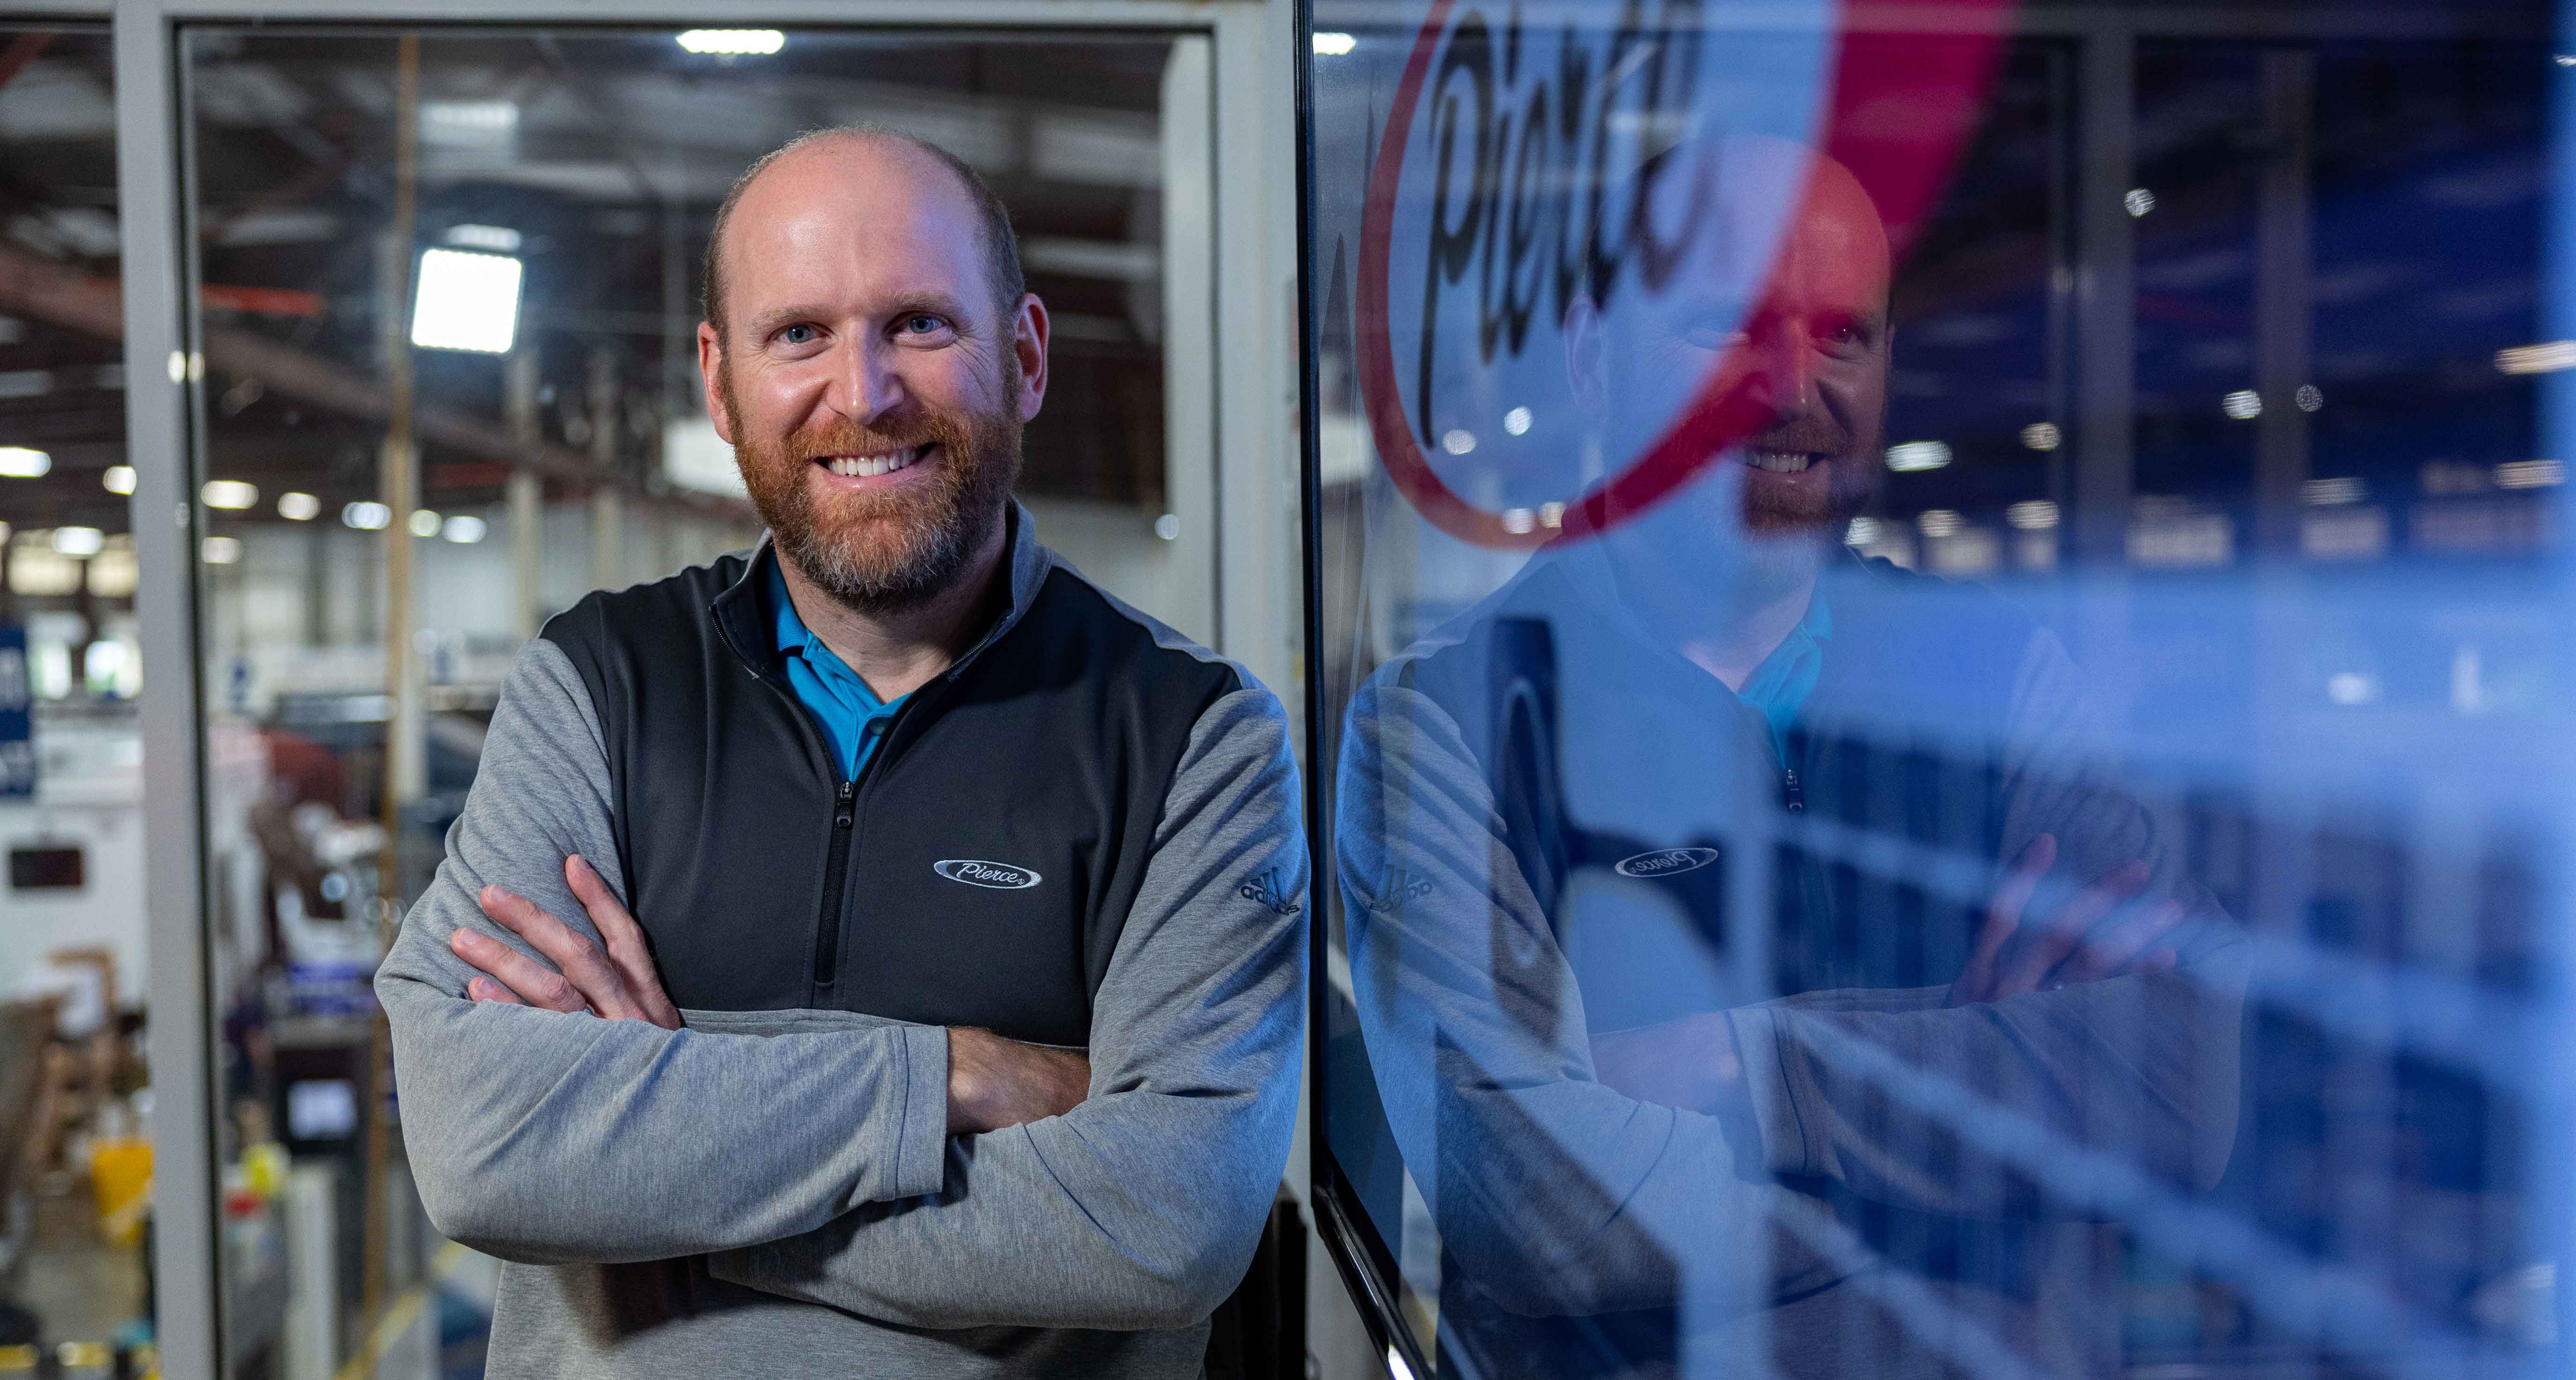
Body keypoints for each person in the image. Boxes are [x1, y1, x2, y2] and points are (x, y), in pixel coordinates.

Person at [375, 127, 1306, 1379]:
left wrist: (651, 1169)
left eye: (919, 323)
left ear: (1024, 356)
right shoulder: (598, 683)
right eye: (798, 334)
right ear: (719, 381)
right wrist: (949, 1079)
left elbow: (1161, 1223)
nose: (862, 393)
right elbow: (485, 1142)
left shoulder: (1192, 740)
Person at [1333, 140, 2249, 1377]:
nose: (1792, 385)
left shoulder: (2001, 679)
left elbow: (2185, 1084)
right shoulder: (1440, 727)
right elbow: (1531, 1211)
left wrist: (1750, 1064)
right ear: (1593, 352)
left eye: (1843, 337)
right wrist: (1984, 1110)